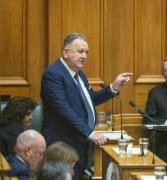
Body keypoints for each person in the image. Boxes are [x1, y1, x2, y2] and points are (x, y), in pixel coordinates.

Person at [40, 32, 132, 180]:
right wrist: (90, 133)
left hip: (79, 141)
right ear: (65, 52)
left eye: (86, 52)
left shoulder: (79, 74)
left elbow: (90, 99)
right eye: (80, 51)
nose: (84, 56)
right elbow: (63, 109)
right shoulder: (53, 74)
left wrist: (113, 88)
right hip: (62, 145)